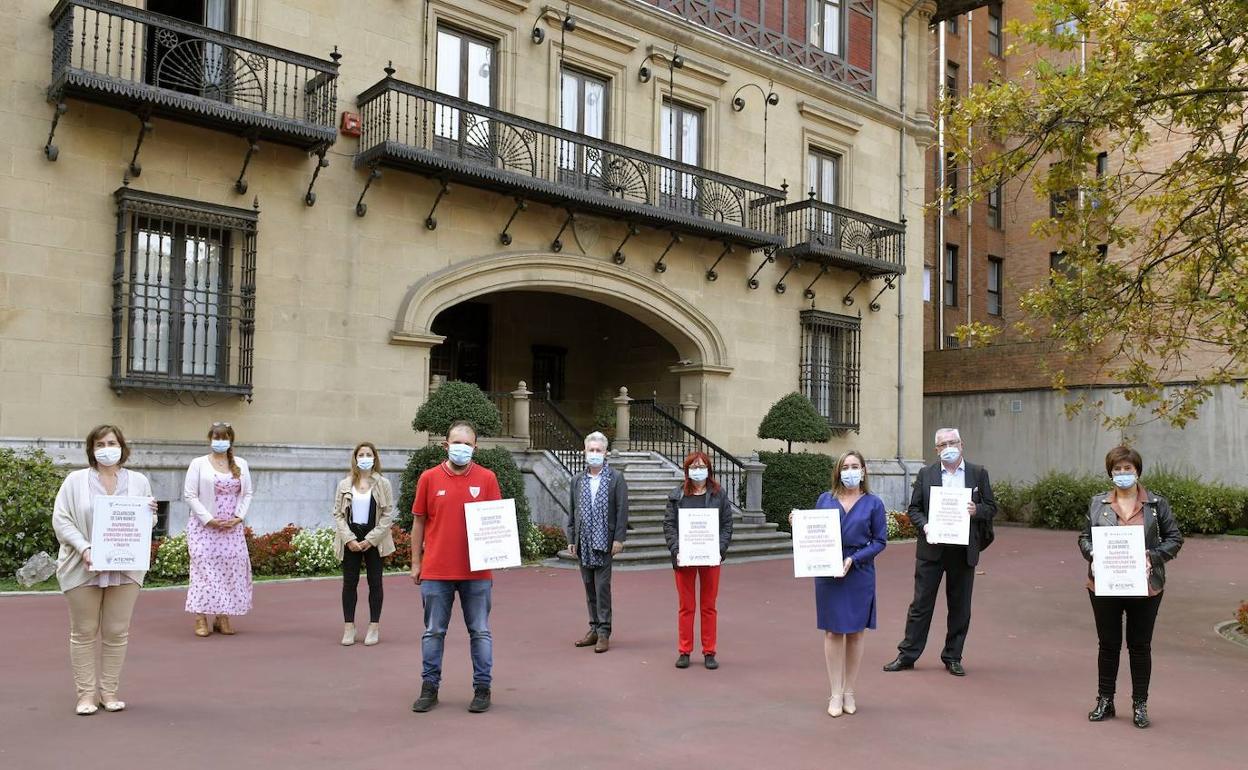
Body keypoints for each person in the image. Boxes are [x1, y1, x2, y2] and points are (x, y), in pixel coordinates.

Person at [52, 424, 158, 715]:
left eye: (111, 443)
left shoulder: (138, 482)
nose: (106, 449)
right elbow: (61, 519)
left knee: (116, 631)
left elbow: (144, 523)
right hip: (82, 565)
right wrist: (84, 548)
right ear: (91, 450)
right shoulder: (75, 481)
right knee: (84, 631)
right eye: (100, 444)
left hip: (125, 568)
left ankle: (109, 692)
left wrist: (150, 514)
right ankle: (86, 695)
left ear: (122, 447)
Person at [1078, 446, 1183, 729]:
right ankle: (1105, 700)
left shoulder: (1156, 505)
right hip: (1104, 584)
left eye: (1128, 468)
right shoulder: (1098, 503)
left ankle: (1140, 704)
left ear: (1137, 471)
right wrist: (1093, 554)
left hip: (1146, 586)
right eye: (1117, 469)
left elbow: (1174, 539)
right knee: (1108, 645)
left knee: (1139, 646)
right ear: (1110, 473)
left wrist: (1152, 557)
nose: (1122, 473)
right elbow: (1084, 538)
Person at [884, 427, 996, 676]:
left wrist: (976, 510)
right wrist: (925, 526)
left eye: (952, 443)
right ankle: (907, 655)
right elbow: (914, 509)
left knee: (960, 607)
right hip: (932, 549)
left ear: (961, 444)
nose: (948, 448)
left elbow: (991, 507)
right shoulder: (927, 474)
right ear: (936, 450)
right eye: (943, 445)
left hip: (963, 551)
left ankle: (953, 656)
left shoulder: (978, 473)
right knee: (920, 605)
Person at [409, 420, 502, 714]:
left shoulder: (487, 478)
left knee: (480, 632)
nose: (462, 448)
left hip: (477, 573)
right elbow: (418, 522)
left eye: (467, 444)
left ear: (475, 447)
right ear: (445, 445)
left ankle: (482, 688)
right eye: (457, 443)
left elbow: (496, 521)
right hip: (436, 571)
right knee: (433, 632)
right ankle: (429, 687)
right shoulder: (429, 478)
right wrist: (416, 562)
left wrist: (497, 555)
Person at [811, 451, 887, 716]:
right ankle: (835, 692)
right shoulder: (825, 499)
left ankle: (849, 691)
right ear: (838, 471)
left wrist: (854, 559)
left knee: (855, 632)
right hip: (828, 572)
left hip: (859, 572)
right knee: (833, 632)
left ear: (863, 471)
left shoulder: (874, 503)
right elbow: (814, 531)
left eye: (855, 466)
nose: (850, 471)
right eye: (845, 467)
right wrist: (797, 522)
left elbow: (880, 541)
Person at [662, 451, 733, 670]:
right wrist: (676, 550)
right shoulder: (677, 495)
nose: (698, 470)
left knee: (708, 606)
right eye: (693, 467)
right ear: (687, 470)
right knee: (686, 606)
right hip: (684, 558)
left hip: (710, 557)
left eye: (702, 466)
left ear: (708, 469)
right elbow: (669, 525)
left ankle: (709, 651)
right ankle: (684, 651)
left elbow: (727, 525)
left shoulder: (719, 495)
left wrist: (719, 549)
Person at [183, 421, 254, 637]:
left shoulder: (241, 464)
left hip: (231, 528)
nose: (220, 441)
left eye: (224, 438)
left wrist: (238, 518)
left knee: (230, 569)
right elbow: (190, 495)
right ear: (210, 439)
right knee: (204, 570)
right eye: (217, 437)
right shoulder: (198, 464)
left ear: (231, 440)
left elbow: (247, 493)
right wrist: (208, 519)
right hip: (204, 527)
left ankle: (223, 615)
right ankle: (200, 617)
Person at [566, 431, 629, 653]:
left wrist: (619, 538)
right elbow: (573, 511)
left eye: (598, 450)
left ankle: (604, 632)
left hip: (605, 541)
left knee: (602, 588)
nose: (594, 453)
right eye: (591, 450)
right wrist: (571, 538)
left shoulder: (615, 478)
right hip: (583, 540)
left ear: (605, 453)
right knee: (589, 587)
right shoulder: (577, 480)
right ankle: (593, 628)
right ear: (585, 451)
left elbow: (622, 510)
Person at [331, 442, 396, 647]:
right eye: (361, 454)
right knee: (349, 583)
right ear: (355, 458)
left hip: (374, 538)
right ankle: (349, 627)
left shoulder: (383, 483)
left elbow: (388, 514)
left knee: (375, 582)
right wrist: (349, 538)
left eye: (369, 454)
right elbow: (338, 514)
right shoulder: (345, 484)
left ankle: (373, 626)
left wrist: (371, 539)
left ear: (375, 458)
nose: (365, 458)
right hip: (351, 537)